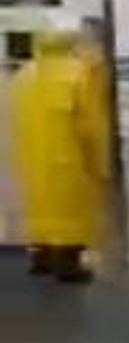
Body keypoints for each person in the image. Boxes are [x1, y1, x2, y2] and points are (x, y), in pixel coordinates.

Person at [8, 29, 111, 284]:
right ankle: (68, 263)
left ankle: (41, 256)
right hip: (68, 157)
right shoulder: (81, 73)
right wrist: (100, 161)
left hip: (31, 158)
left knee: (39, 208)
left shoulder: (23, 75)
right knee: (71, 211)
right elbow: (90, 124)